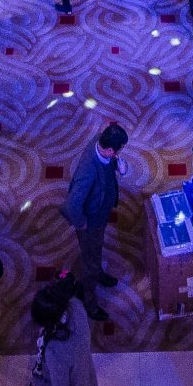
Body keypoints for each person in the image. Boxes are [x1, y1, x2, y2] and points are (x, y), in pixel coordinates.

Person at [63, 123, 126, 322]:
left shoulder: (101, 140)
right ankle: (89, 301)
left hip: (100, 214)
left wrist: (118, 165)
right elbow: (72, 205)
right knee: (89, 263)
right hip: (90, 223)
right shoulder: (87, 171)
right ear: (110, 150)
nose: (119, 153)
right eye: (118, 151)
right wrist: (82, 224)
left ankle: (98, 272)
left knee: (97, 249)